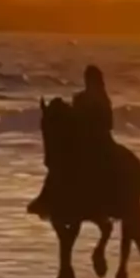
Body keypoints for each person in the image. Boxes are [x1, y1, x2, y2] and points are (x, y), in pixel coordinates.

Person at [27, 65, 116, 219]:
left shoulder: (101, 100)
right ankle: (48, 200)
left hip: (100, 142)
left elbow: (109, 124)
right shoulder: (81, 98)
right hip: (85, 140)